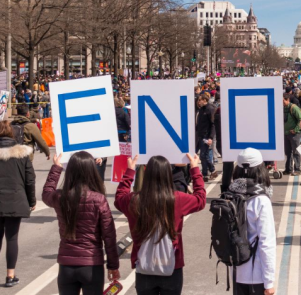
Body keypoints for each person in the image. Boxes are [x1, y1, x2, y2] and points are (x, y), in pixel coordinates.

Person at [115, 153, 206, 294]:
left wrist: (130, 172)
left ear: (147, 173)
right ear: (168, 175)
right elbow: (200, 199)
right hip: (172, 267)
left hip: (144, 268)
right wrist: (194, 169)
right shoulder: (177, 199)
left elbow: (119, 197)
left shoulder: (134, 200)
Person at [43, 151, 120, 294]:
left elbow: (46, 193)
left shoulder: (60, 196)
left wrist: (56, 168)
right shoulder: (98, 199)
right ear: (91, 171)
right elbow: (109, 236)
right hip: (91, 265)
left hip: (66, 266)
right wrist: (113, 266)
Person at [230, 148, 276, 295]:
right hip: (256, 274)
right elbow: (266, 242)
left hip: (236, 270)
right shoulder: (261, 200)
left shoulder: (230, 195)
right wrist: (269, 281)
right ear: (260, 169)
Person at [0, 121, 35, 288]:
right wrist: (32, 201)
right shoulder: (22, 154)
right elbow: (30, 179)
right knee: (12, 238)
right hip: (15, 200)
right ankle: (10, 276)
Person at [196, 94, 217, 181]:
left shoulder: (209, 109)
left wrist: (211, 137)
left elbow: (212, 124)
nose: (199, 102)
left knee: (203, 155)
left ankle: (212, 170)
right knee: (204, 155)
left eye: (200, 100)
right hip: (200, 135)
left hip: (206, 135)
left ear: (205, 100)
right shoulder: (201, 109)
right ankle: (205, 174)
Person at [283, 93, 301, 176]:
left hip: (294, 134)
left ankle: (298, 169)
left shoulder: (293, 108)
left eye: (283, 101)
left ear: (287, 100)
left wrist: (295, 130)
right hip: (286, 134)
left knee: (296, 152)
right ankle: (288, 169)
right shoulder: (283, 108)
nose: (282, 103)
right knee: (288, 152)